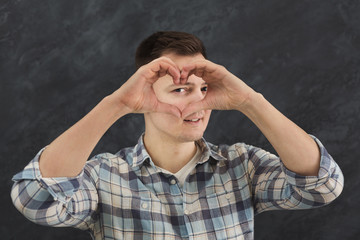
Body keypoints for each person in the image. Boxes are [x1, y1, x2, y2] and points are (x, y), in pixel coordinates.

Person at [11, 31, 344, 240]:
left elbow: (321, 187)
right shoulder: (104, 176)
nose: (199, 100)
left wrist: (250, 102)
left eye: (203, 88)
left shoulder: (243, 165)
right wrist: (116, 105)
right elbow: (36, 200)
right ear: (143, 96)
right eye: (181, 89)